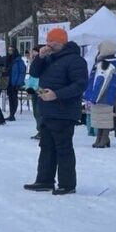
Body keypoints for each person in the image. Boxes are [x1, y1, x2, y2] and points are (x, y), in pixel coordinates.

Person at [24, 27, 88, 195]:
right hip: (47, 110)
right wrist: (39, 57)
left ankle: (67, 184)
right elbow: (34, 73)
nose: (48, 44)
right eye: (47, 41)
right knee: (46, 147)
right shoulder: (48, 58)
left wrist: (57, 95)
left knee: (63, 148)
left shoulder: (75, 60)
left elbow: (80, 85)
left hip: (64, 111)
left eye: (52, 41)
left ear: (61, 42)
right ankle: (44, 180)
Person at [83, 40, 116, 148]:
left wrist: (94, 96)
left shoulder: (107, 65)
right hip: (100, 95)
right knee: (99, 117)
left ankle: (104, 137)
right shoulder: (103, 63)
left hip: (104, 95)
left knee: (105, 117)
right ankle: (101, 136)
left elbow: (101, 82)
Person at [24, 46, 43, 139]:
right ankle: (39, 130)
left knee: (39, 112)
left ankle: (42, 131)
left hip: (40, 91)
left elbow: (39, 78)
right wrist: (28, 87)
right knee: (36, 112)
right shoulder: (32, 64)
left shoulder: (41, 63)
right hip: (33, 90)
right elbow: (31, 78)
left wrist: (35, 88)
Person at [5, 46, 26, 121]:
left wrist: (18, 83)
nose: (9, 51)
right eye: (9, 50)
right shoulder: (8, 59)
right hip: (8, 82)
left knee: (14, 98)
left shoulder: (19, 61)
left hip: (15, 83)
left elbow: (22, 73)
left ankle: (12, 114)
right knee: (10, 98)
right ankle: (11, 114)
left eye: (11, 50)